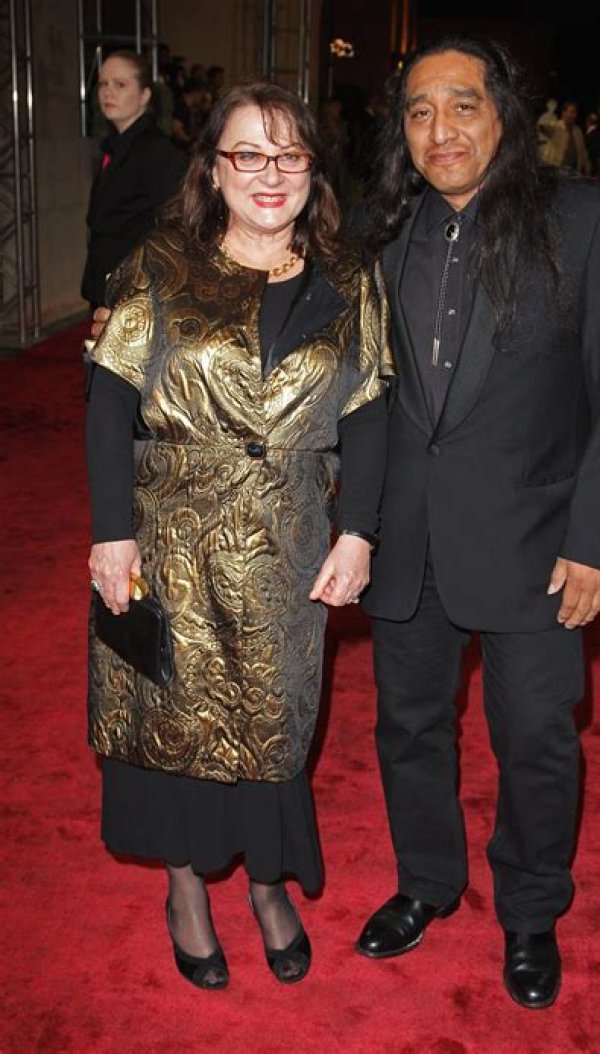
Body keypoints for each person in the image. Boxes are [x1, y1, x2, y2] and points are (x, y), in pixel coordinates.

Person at [352, 36, 600, 1010]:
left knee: (535, 736)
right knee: (408, 726)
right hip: (408, 534)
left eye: (462, 105)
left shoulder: (587, 222)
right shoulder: (378, 230)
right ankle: (426, 881)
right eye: (418, 112)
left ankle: (530, 910)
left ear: (504, 115)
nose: (439, 130)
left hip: (538, 540)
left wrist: (597, 542)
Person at [85, 81, 392, 992]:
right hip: (168, 540)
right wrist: (111, 536)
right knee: (166, 721)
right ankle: (185, 889)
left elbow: (370, 412)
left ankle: (266, 882)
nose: (270, 173)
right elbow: (107, 402)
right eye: (248, 153)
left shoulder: (351, 277)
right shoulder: (160, 263)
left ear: (313, 170)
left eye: (290, 154)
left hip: (286, 545)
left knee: (273, 724)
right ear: (214, 169)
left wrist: (357, 533)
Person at [81, 51, 187, 309]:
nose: (108, 92)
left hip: (137, 297)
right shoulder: (116, 147)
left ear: (144, 95)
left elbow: (179, 228)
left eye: (120, 84)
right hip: (108, 289)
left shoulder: (157, 152)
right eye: (103, 84)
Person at [542, 100, 591, 173]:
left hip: (573, 170)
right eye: (571, 112)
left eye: (575, 113)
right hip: (557, 169)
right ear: (564, 113)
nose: (573, 115)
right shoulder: (556, 126)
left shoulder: (577, 131)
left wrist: (587, 167)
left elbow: (582, 150)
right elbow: (543, 127)